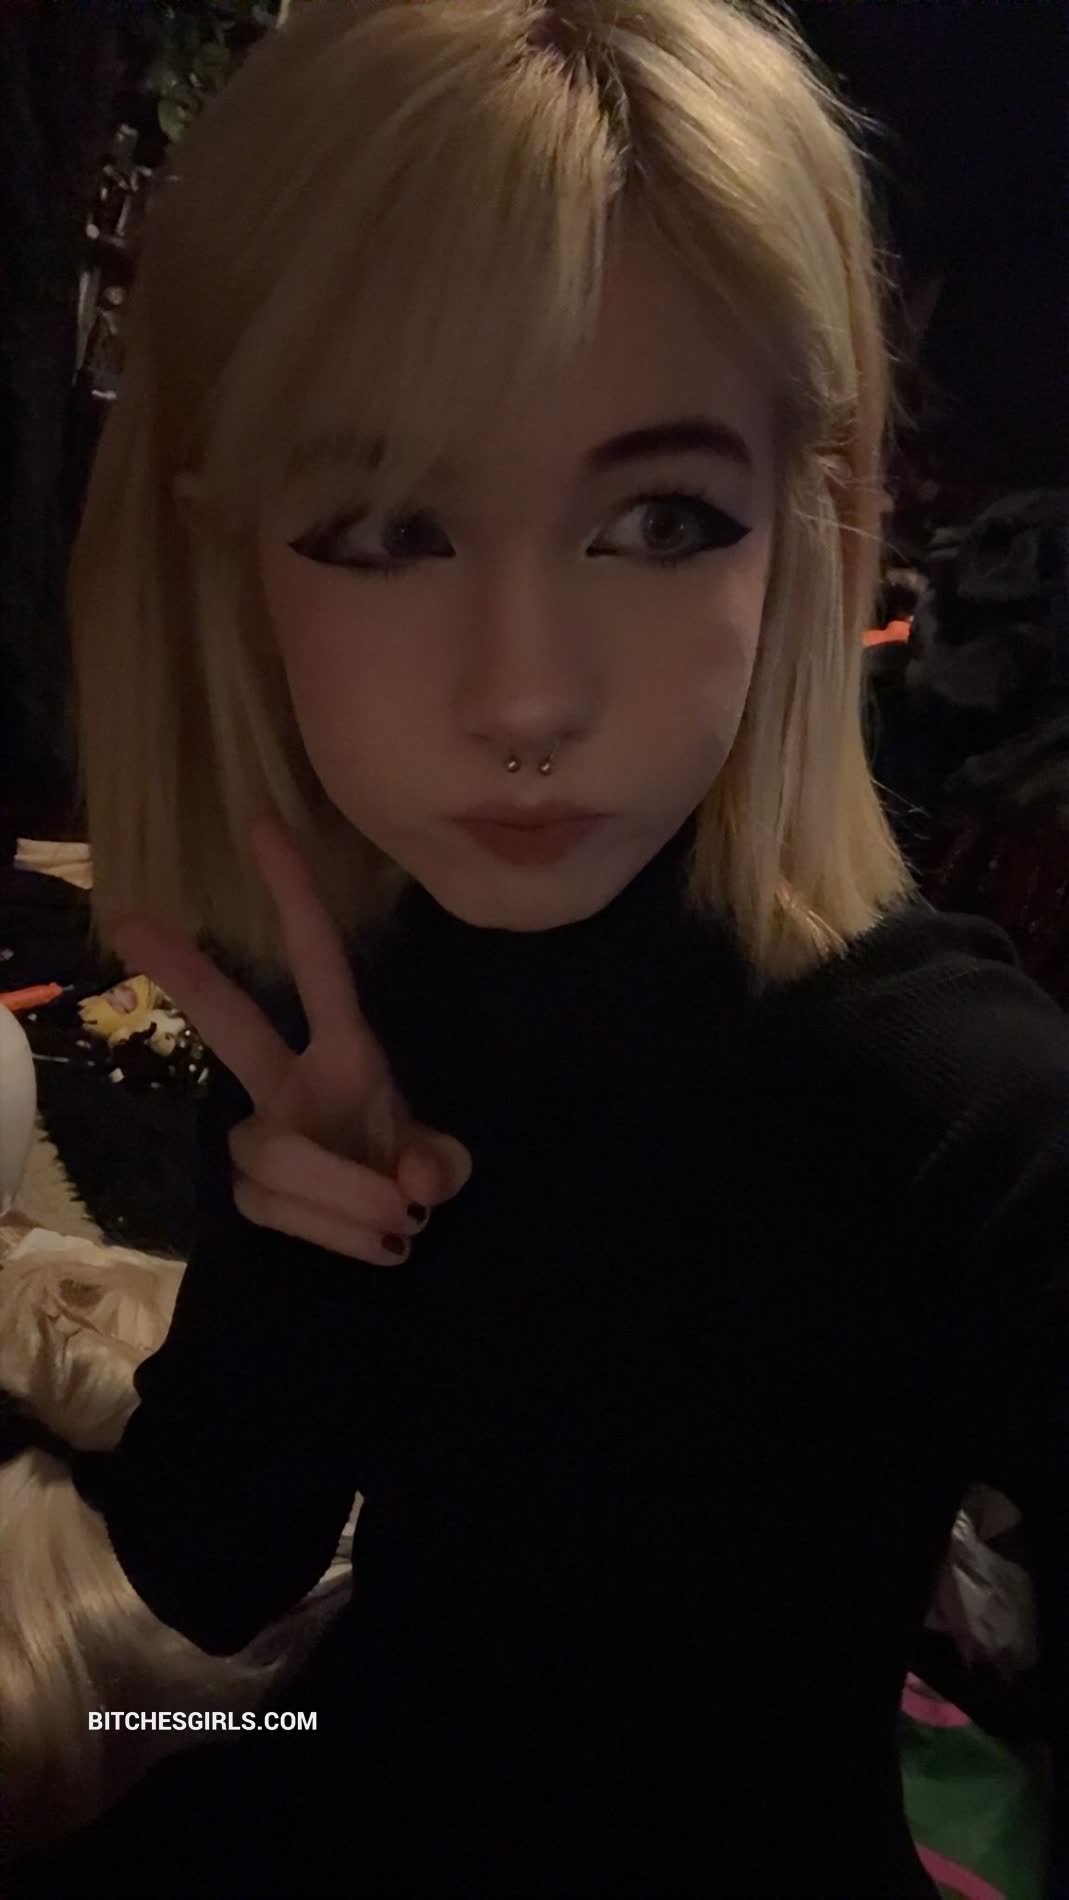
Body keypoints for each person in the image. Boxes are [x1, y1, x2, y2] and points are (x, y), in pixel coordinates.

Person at [7, 1, 1066, 1893]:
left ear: (807, 526)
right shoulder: (342, 996)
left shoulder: (948, 1097)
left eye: (658, 519)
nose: (523, 699)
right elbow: (209, 1575)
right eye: (385, 527)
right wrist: (294, 1259)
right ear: (230, 555)